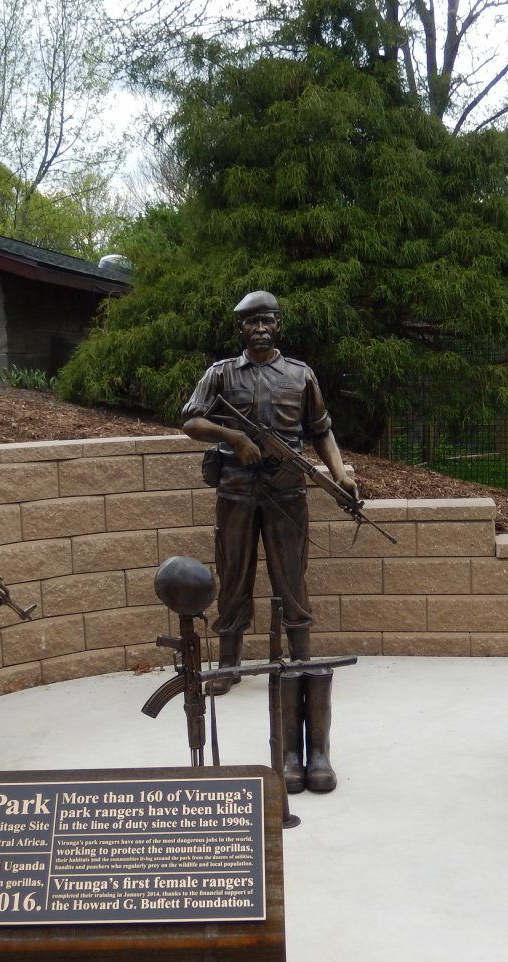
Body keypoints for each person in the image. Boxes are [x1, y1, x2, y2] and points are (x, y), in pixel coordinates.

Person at [180, 291, 357, 793]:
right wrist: (234, 438)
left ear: (278, 325)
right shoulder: (221, 374)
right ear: (242, 329)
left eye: (267, 320)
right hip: (236, 490)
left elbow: (321, 431)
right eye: (251, 322)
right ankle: (229, 664)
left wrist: (339, 474)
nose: (260, 328)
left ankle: (301, 660)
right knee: (233, 573)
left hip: (287, 492)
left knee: (290, 576)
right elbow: (190, 419)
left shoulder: (301, 375)